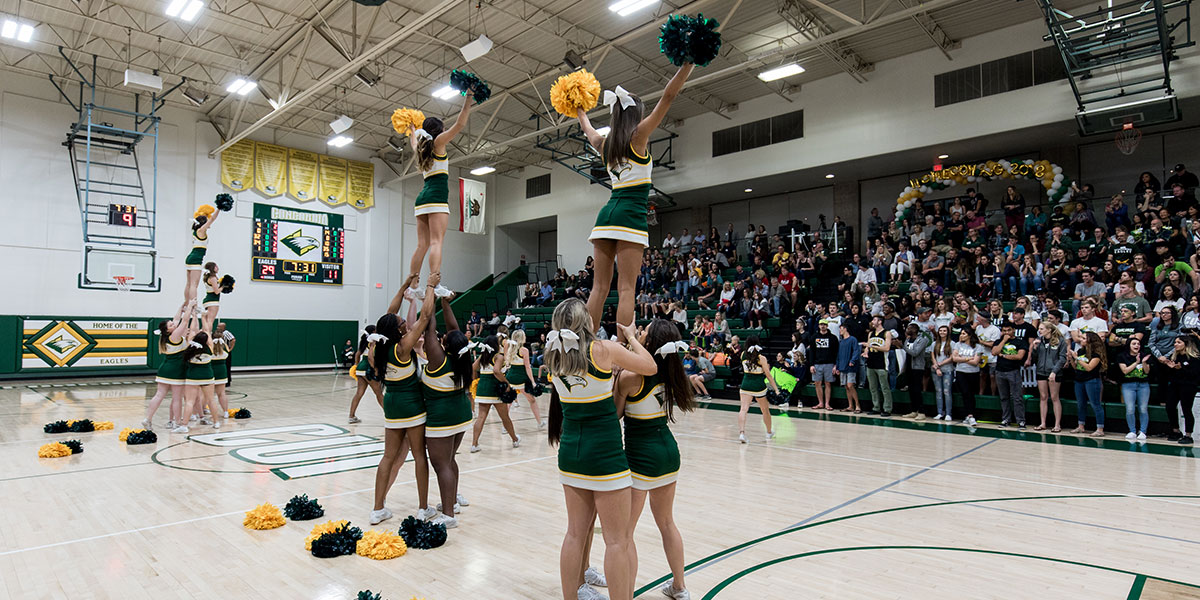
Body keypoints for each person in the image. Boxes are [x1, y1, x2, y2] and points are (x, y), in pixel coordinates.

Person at [545, 298, 655, 600]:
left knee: (574, 534)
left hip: (570, 455)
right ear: (586, 322)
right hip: (605, 456)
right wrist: (632, 337)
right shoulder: (602, 350)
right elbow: (650, 366)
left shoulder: (552, 356)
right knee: (617, 541)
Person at [578, 66, 694, 339]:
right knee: (627, 289)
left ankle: (584, 345)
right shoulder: (639, 137)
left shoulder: (604, 144)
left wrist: (579, 108)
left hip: (606, 216)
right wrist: (687, 65)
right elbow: (668, 97)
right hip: (631, 216)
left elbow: (587, 128)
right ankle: (623, 350)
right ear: (636, 114)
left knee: (599, 288)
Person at [612, 319, 696, 600]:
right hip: (668, 452)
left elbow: (615, 416)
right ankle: (679, 587)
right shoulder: (671, 372)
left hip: (641, 456)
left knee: (625, 533)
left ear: (651, 342)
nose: (640, 332)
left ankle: (627, 592)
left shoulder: (632, 377)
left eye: (644, 331)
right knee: (667, 523)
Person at [370, 274, 438, 526]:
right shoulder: (402, 347)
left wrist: (404, 286)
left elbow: (390, 312)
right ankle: (423, 508)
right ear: (399, 329)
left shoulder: (379, 346)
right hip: (411, 405)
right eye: (401, 323)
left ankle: (378, 509)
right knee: (420, 456)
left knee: (388, 456)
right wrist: (429, 287)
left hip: (391, 405)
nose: (403, 324)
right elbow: (424, 318)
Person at [405, 95, 473, 298]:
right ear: (439, 130)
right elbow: (460, 124)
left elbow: (413, 139)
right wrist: (468, 99)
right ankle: (434, 283)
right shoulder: (438, 143)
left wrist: (411, 128)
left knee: (421, 245)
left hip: (421, 199)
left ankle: (413, 285)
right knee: (436, 243)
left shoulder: (421, 147)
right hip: (437, 197)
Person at [420, 290, 477, 526]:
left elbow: (429, 329)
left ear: (445, 344)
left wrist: (431, 298)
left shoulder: (438, 360)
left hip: (442, 418)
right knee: (450, 460)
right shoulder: (463, 355)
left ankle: (449, 517)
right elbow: (454, 331)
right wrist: (446, 302)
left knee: (441, 464)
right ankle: (451, 502)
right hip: (462, 414)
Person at [143, 301, 191, 430]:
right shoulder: (175, 336)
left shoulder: (165, 337)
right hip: (176, 370)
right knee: (177, 398)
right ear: (168, 330)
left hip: (165, 369)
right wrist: (190, 307)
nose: (173, 323)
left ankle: (147, 419)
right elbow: (184, 322)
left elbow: (177, 319)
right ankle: (176, 422)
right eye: (171, 324)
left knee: (159, 395)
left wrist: (181, 307)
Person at [469, 335, 521, 452]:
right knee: (505, 417)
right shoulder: (499, 356)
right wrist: (507, 383)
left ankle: (474, 444)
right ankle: (514, 439)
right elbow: (496, 371)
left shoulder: (483, 356)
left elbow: (473, 367)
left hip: (482, 388)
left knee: (481, 417)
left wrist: (476, 379)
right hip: (495, 389)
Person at [174, 309, 221, 433]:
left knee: (189, 402)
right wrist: (203, 318)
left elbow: (193, 330)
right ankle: (216, 422)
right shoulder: (209, 347)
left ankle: (184, 425)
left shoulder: (190, 346)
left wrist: (193, 316)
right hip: (207, 377)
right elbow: (207, 331)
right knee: (211, 400)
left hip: (192, 378)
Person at [737, 336, 778, 442]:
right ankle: (769, 432)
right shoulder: (762, 358)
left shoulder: (742, 355)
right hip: (759, 386)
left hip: (745, 384)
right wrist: (776, 389)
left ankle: (742, 433)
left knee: (743, 409)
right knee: (765, 411)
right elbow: (768, 375)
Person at [1067, 331, 1107, 437]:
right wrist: (1071, 360)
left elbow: (1089, 367)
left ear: (1090, 340)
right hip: (1079, 380)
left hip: (1092, 380)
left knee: (1095, 404)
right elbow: (1077, 367)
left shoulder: (1096, 354)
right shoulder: (1080, 351)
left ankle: (1100, 428)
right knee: (1080, 404)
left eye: (1084, 338)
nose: (1081, 340)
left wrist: (1077, 358)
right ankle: (1081, 426)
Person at [1163, 336, 1200, 444]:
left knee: (1186, 409)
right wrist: (1170, 368)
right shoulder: (1174, 356)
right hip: (1175, 385)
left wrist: (1182, 369)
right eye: (1175, 342)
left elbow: (1195, 375)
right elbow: (1170, 375)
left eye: (1178, 342)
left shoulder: (1194, 358)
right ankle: (1176, 431)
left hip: (1188, 386)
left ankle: (1188, 435)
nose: (1175, 344)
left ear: (1186, 344)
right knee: (1169, 406)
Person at [505, 329, 545, 429]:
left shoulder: (509, 348)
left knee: (508, 402)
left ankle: (504, 426)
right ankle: (539, 423)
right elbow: (528, 367)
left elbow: (507, 364)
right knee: (532, 400)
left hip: (510, 377)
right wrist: (533, 381)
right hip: (521, 378)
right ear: (521, 338)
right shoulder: (524, 350)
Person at [1031, 322, 1067, 432]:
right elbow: (1035, 358)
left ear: (1049, 330)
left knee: (1054, 397)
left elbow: (1062, 359)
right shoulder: (1039, 341)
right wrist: (1034, 348)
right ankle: (1043, 423)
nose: (1039, 331)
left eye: (1041, 329)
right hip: (1041, 371)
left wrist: (1054, 371)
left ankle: (1057, 425)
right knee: (1043, 397)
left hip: (1054, 372)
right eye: (1039, 329)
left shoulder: (1060, 341)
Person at [991, 321, 1028, 429]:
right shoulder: (999, 341)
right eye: (1004, 330)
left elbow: (1019, 356)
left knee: (1017, 397)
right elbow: (994, 352)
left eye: (1009, 330)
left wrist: (1002, 355)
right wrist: (1004, 341)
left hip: (1013, 371)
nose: (1006, 332)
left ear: (1014, 330)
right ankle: (1006, 419)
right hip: (999, 371)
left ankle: (1021, 421)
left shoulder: (1020, 342)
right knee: (1004, 397)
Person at [1117, 337, 1152, 441]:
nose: (1137, 346)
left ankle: (1143, 431)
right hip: (1128, 385)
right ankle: (1132, 430)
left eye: (1138, 344)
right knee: (1130, 409)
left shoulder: (1144, 356)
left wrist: (1144, 362)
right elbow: (1125, 371)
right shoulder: (1122, 356)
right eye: (1134, 344)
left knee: (1143, 408)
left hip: (1143, 385)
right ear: (1129, 345)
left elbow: (1146, 372)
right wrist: (1136, 362)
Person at [348, 325, 385, 424]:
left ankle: (351, 416)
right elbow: (370, 358)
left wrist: (356, 365)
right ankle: (389, 416)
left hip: (360, 368)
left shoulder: (364, 341)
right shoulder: (372, 342)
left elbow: (357, 354)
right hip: (368, 368)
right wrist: (375, 368)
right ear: (373, 331)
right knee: (379, 393)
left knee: (359, 393)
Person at [184, 207, 219, 304]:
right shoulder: (201, 231)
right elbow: (212, 219)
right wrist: (219, 209)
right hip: (196, 259)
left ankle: (187, 303)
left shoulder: (196, 232)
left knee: (189, 284)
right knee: (194, 285)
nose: (209, 224)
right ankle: (193, 305)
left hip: (191, 257)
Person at [950, 329, 983, 426]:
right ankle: (970, 415)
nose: (961, 335)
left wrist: (962, 358)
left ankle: (970, 414)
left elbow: (975, 362)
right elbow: (954, 358)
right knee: (965, 393)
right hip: (961, 372)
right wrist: (969, 358)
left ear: (969, 335)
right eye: (961, 333)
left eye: (964, 333)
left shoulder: (978, 347)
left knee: (971, 394)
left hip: (973, 373)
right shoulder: (958, 345)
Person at [862, 316, 894, 417]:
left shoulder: (886, 333)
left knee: (884, 387)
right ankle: (876, 407)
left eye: (874, 320)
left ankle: (887, 408)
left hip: (882, 364)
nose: (872, 322)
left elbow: (887, 348)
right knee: (873, 387)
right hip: (871, 363)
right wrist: (865, 352)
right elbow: (867, 347)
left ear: (880, 322)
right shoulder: (871, 333)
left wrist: (872, 346)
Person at [901, 323, 931, 419]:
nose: (907, 329)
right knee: (911, 390)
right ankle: (914, 410)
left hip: (917, 367)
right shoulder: (908, 339)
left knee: (917, 390)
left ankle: (922, 412)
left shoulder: (922, 340)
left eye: (909, 328)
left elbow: (915, 353)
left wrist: (902, 346)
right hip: (908, 366)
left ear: (915, 330)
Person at [808, 320, 839, 410]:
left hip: (829, 363)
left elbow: (836, 352)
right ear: (818, 326)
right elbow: (811, 352)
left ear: (827, 326)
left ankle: (827, 403)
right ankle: (820, 402)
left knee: (828, 383)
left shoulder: (833, 338)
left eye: (824, 325)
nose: (823, 326)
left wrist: (835, 365)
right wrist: (811, 364)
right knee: (817, 383)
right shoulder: (814, 337)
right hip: (817, 363)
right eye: (821, 324)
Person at [929, 325, 955, 421]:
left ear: (948, 332)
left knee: (947, 391)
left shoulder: (952, 344)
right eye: (940, 331)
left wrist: (940, 364)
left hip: (948, 369)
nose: (942, 332)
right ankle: (940, 412)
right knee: (938, 391)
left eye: (944, 331)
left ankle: (948, 413)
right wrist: (936, 367)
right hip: (936, 370)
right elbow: (933, 356)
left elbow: (952, 357)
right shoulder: (934, 343)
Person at [834, 325, 861, 413]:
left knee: (850, 385)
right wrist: (837, 366)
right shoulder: (841, 342)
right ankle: (850, 406)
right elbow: (838, 355)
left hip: (850, 366)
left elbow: (856, 351)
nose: (840, 331)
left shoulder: (853, 339)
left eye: (841, 329)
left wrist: (853, 360)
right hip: (842, 366)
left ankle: (857, 405)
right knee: (846, 387)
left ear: (845, 329)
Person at [216, 322, 235, 387]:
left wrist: (230, 349)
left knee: (227, 366)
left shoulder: (226, 333)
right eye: (217, 326)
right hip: (220, 351)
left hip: (226, 351)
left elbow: (233, 340)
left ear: (223, 327)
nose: (217, 327)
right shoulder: (218, 333)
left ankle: (228, 381)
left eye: (219, 326)